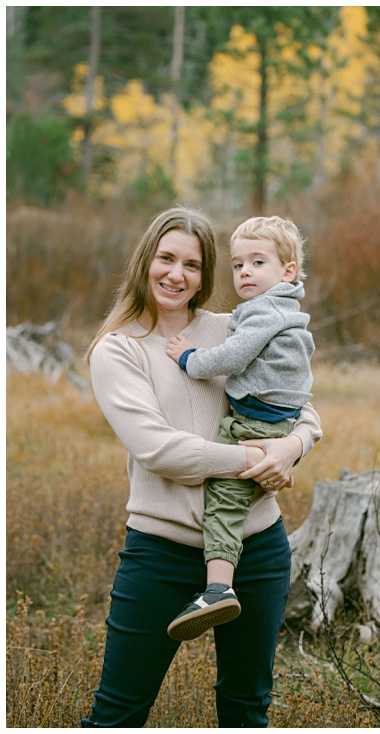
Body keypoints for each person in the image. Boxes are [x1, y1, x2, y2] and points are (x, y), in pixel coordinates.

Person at [82, 207, 322, 728]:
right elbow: (158, 450)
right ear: (145, 261)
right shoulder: (118, 350)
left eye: (191, 265)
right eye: (166, 259)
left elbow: (299, 403)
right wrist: (254, 458)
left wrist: (293, 447)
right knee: (119, 712)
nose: (176, 274)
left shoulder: (237, 326)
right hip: (160, 553)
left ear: (205, 274)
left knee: (246, 706)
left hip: (257, 547)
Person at [163, 215, 315, 642]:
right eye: (238, 265)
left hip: (253, 423)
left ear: (287, 271)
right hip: (277, 419)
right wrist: (290, 442)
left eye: (258, 262)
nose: (245, 271)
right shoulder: (282, 309)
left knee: (225, 501)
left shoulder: (263, 313)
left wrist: (189, 358)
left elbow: (231, 356)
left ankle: (217, 588)